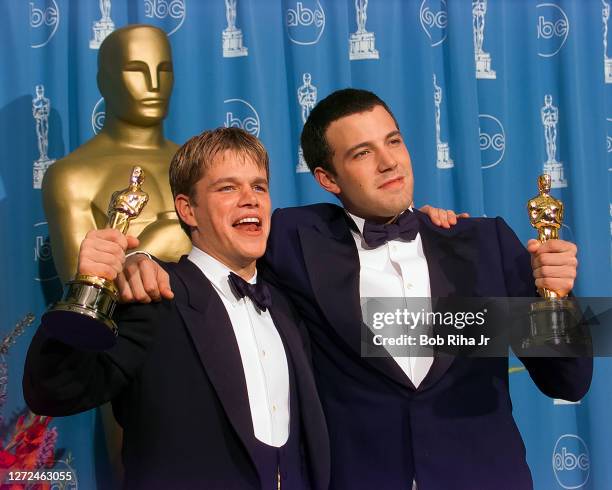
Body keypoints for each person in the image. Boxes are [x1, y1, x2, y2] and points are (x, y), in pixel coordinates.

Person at [86, 89, 589, 489]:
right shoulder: (292, 238)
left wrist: (559, 302)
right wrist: (135, 260)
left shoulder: (483, 240)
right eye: (363, 153)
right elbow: (213, 241)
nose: (389, 162)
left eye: (394, 142)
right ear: (328, 177)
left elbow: (567, 382)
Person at [24, 128, 330, 490]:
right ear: (187, 209)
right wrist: (87, 287)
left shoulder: (285, 305)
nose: (250, 199)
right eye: (228, 188)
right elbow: (53, 391)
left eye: (259, 186)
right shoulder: (153, 295)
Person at [42, 24, 190, 285]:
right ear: (104, 82)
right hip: (131, 324)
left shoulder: (198, 164)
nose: (154, 84)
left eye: (164, 70)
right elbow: (84, 292)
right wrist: (157, 245)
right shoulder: (72, 176)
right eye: (136, 70)